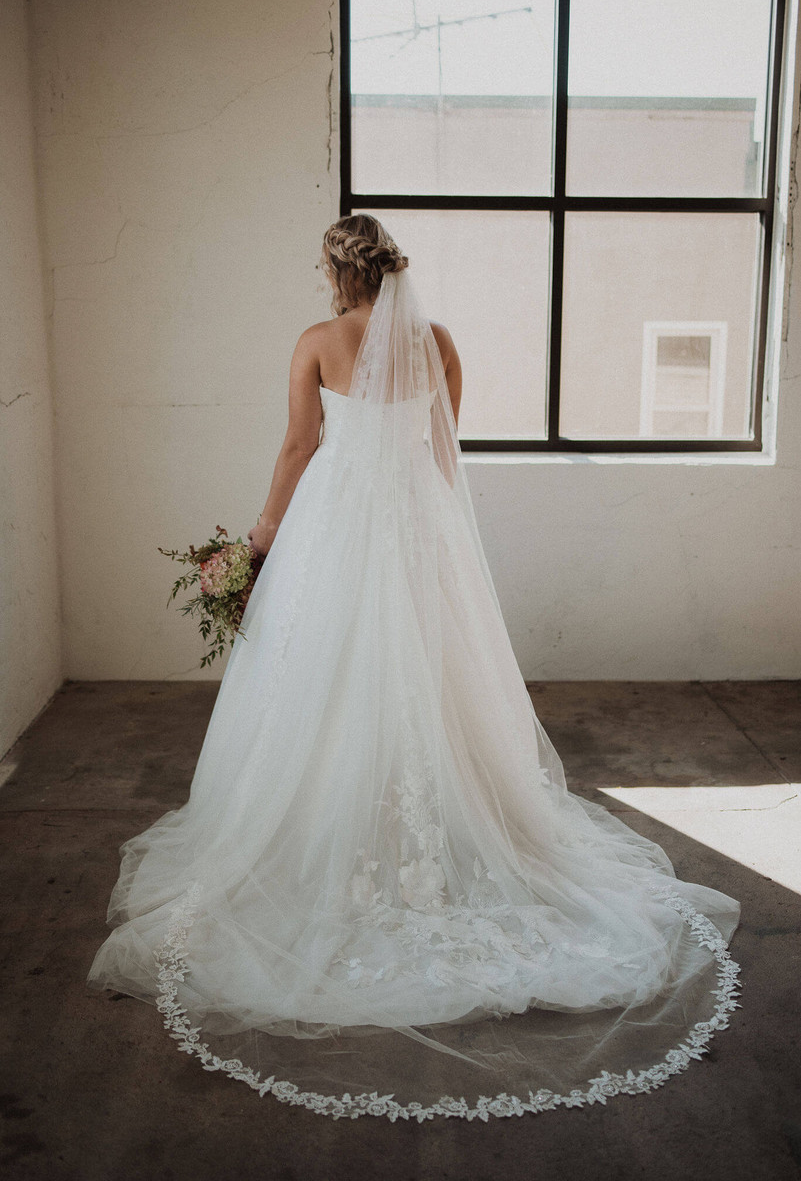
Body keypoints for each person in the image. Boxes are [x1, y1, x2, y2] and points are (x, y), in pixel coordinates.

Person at [87, 214, 741, 1123]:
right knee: (427, 677)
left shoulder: (317, 341)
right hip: (412, 525)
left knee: (321, 676)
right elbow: (444, 450)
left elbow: (298, 446)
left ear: (333, 270)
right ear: (390, 268)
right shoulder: (437, 342)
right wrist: (443, 549)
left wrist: (260, 542)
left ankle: (326, 823)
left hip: (333, 526)